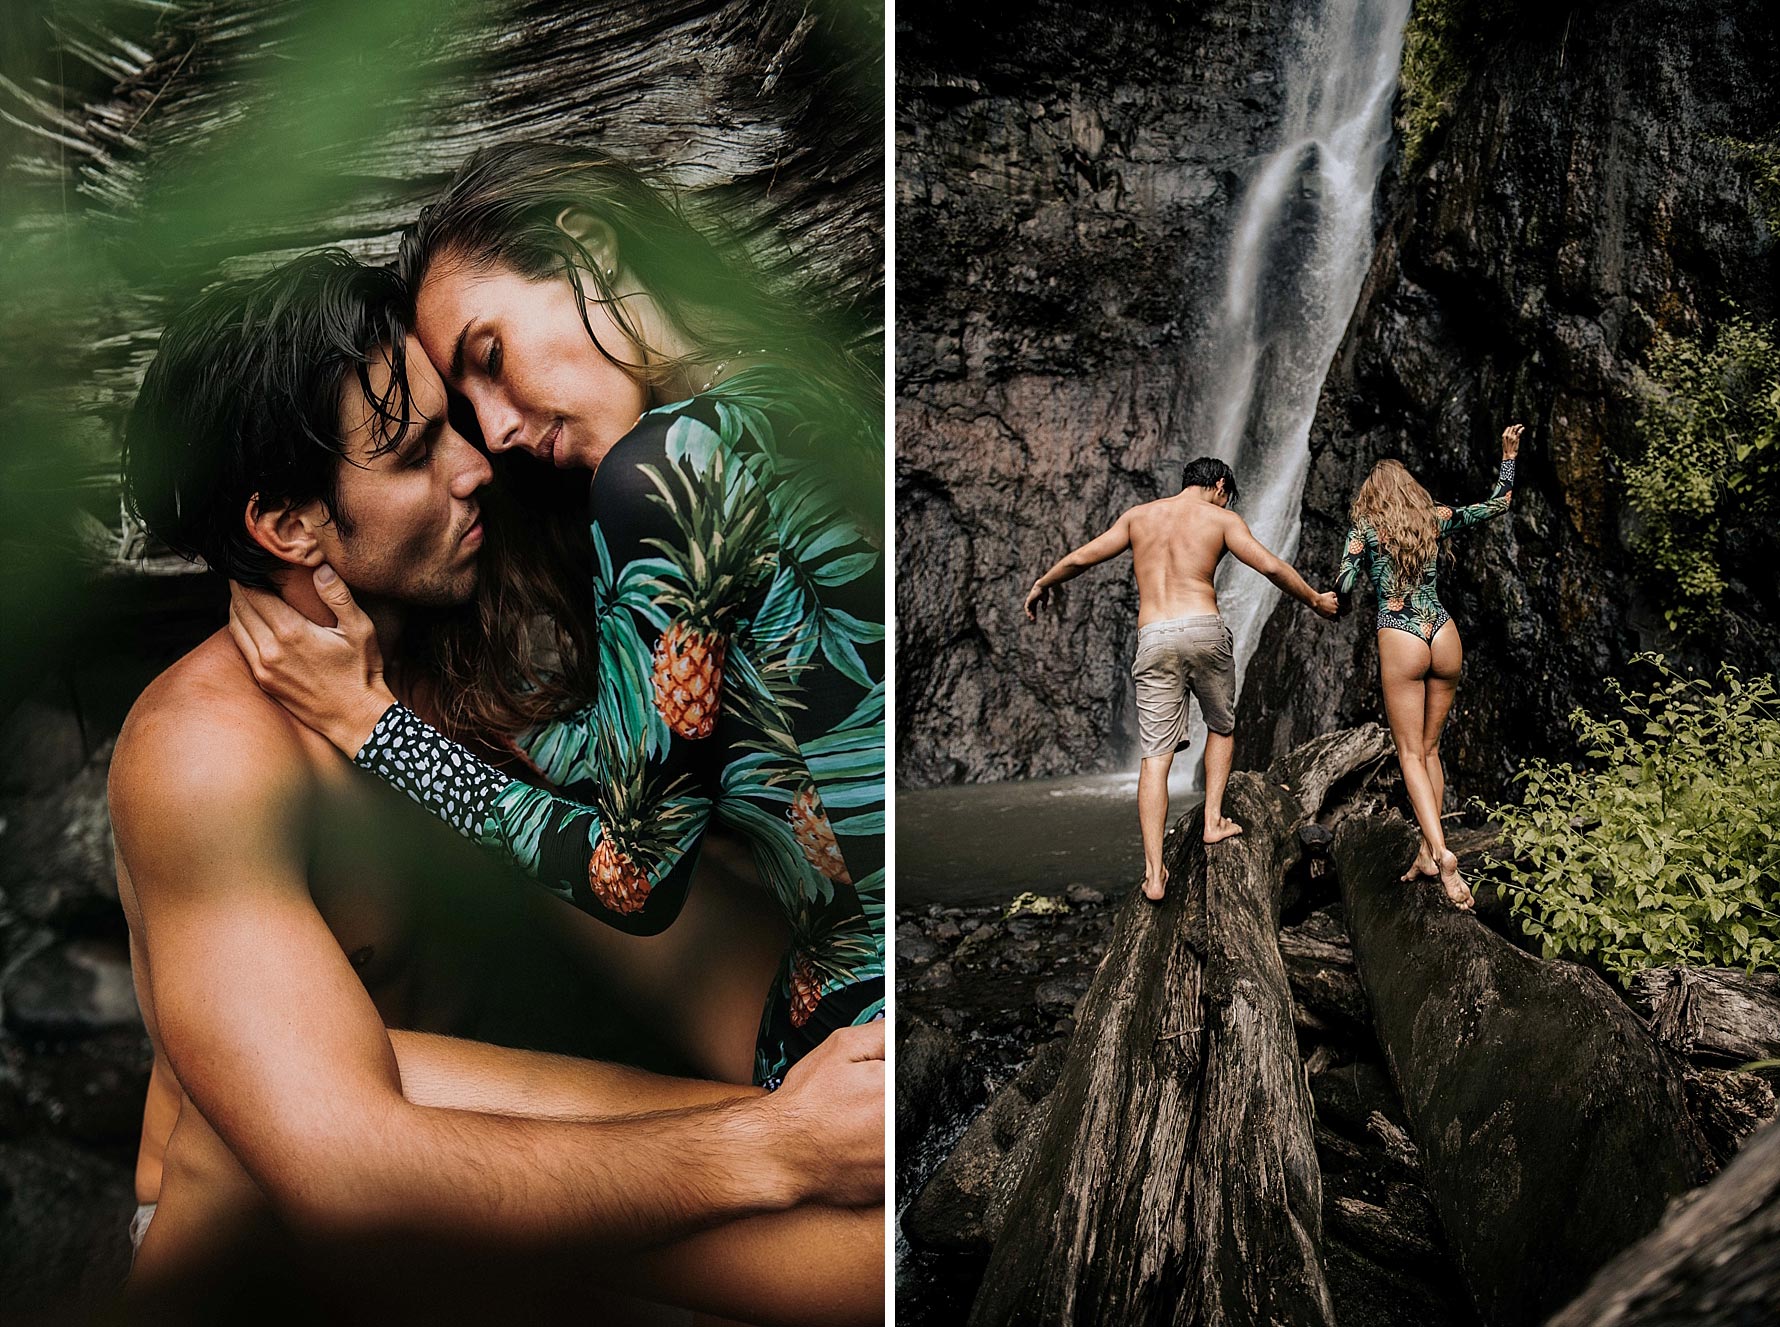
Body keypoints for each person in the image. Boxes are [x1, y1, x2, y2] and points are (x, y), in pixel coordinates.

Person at [113, 251, 883, 1323]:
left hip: (505, 1211)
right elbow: (343, 1169)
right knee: (246, 1138)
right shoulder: (209, 749)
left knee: (875, 1221)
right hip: (287, 1257)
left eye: (456, 422)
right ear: (288, 526)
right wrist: (779, 1143)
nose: (476, 463)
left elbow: (661, 895)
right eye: (416, 449)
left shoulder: (477, 649)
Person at [229, 142, 884, 1092]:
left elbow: (636, 877)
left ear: (589, 247)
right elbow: (764, 727)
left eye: (490, 357)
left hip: (848, 1054)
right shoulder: (801, 388)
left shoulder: (659, 471)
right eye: (468, 401)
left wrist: (374, 727)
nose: (494, 432)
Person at [1023, 457, 1337, 901]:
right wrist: (1314, 600)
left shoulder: (1139, 517)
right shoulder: (1222, 519)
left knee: (1155, 756)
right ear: (1221, 485)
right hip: (1204, 629)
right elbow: (1268, 566)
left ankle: (1154, 873)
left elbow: (1081, 558)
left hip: (1153, 636)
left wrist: (1043, 582)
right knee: (1221, 726)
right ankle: (1211, 820)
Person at [1335, 424, 1524, 909]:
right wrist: (1508, 456)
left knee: (1409, 754)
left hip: (1401, 635)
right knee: (1432, 748)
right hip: (1442, 632)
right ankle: (1425, 850)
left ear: (1371, 496)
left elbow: (1346, 581)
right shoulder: (1434, 518)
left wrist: (1329, 598)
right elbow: (1497, 504)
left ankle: (1442, 855)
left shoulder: (1366, 529)